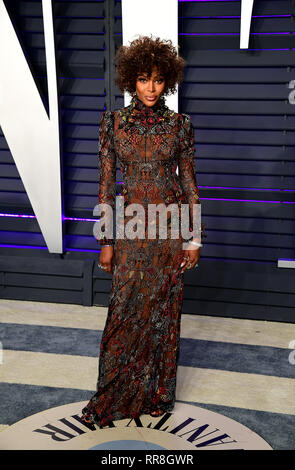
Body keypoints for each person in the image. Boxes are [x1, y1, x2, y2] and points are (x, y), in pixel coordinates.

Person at [81, 36, 206, 427]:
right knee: (124, 310)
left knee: (162, 315)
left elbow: (189, 185)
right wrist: (106, 240)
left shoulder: (180, 125)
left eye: (156, 80)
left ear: (166, 80)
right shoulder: (114, 123)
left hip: (169, 231)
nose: (150, 88)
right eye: (142, 79)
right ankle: (115, 392)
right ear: (130, 81)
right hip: (131, 228)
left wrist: (194, 238)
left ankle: (156, 393)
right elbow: (105, 187)